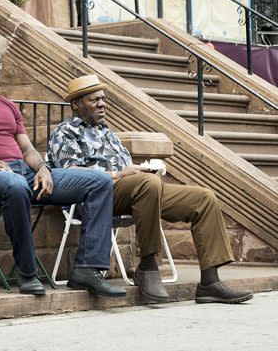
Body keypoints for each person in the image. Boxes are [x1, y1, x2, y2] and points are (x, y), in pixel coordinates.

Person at [0, 40, 125, 297]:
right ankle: (27, 273)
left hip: (25, 173)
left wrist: (43, 169)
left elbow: (27, 149)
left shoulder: (7, 106)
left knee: (99, 182)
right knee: (16, 186)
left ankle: (87, 269)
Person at [46, 74, 253, 304]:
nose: (102, 104)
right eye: (94, 100)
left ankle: (210, 282)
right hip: (97, 196)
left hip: (137, 191)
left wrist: (142, 169)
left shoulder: (106, 132)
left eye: (103, 99)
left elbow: (126, 168)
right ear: (76, 104)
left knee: (204, 198)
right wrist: (118, 174)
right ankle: (147, 265)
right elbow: (70, 173)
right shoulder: (64, 132)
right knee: (148, 185)